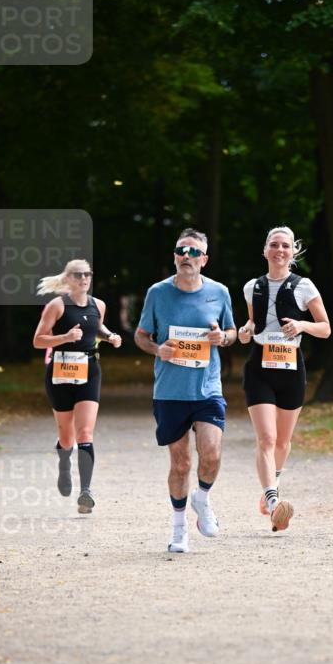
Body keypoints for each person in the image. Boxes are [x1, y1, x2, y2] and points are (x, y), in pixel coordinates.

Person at [134, 228, 236, 553]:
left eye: (194, 252)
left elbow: (232, 331)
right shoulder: (157, 293)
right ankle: (179, 529)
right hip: (170, 391)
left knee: (212, 452)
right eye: (182, 250)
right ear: (174, 255)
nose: (187, 257)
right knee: (180, 464)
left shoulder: (219, 292)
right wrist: (156, 349)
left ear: (204, 259)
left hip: (207, 388)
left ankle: (202, 500)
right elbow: (140, 335)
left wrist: (225, 338)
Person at [238, 226, 330, 531]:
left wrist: (303, 326)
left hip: (291, 367)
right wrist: (245, 330)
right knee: (266, 438)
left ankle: (271, 488)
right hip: (260, 367)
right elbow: (254, 321)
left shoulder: (304, 286)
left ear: (293, 252)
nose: (280, 250)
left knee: (283, 441)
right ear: (265, 250)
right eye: (274, 245)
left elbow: (326, 328)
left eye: (285, 246)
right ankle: (274, 500)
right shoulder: (253, 287)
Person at [32, 259, 122, 513]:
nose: (84, 279)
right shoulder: (57, 306)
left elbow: (96, 327)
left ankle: (86, 492)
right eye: (78, 275)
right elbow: (38, 340)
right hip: (60, 372)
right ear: (68, 278)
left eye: (87, 274)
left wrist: (109, 336)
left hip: (89, 371)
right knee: (66, 436)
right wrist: (65, 338)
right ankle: (64, 463)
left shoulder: (98, 305)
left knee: (85, 433)